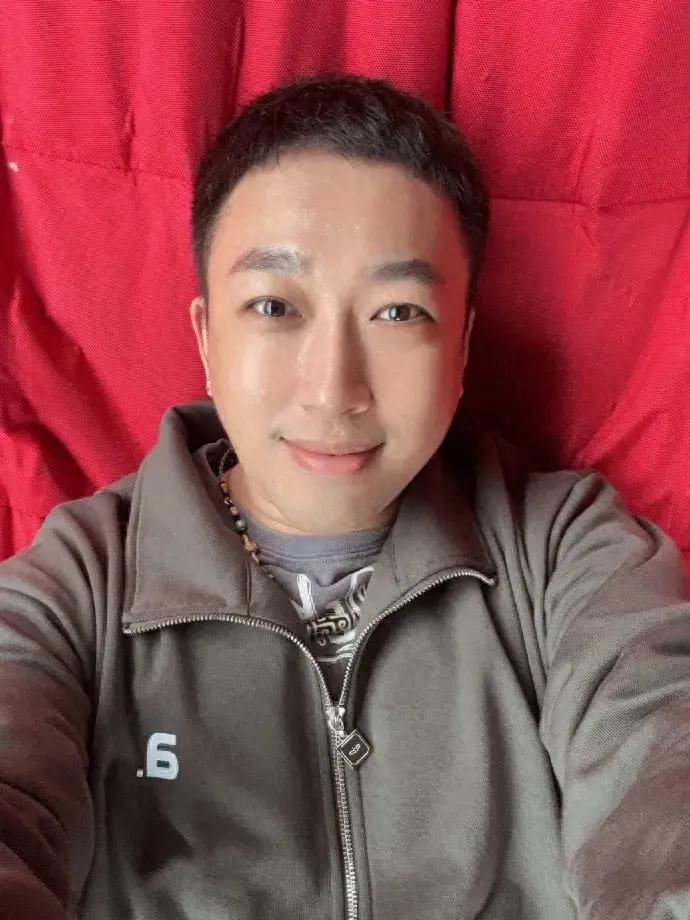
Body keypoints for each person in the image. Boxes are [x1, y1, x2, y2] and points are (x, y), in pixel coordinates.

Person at [0, 72, 688, 920]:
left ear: (462, 346)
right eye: (273, 306)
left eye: (398, 313)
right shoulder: (80, 584)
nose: (333, 391)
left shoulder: (567, 552)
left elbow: (662, 756)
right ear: (207, 339)